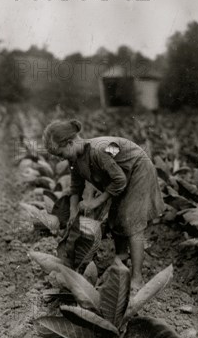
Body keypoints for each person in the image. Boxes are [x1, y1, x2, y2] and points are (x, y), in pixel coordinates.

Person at [43, 119, 164, 290]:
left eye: (61, 154)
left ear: (70, 143)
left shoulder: (99, 150)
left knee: (132, 222)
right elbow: (75, 188)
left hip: (138, 171)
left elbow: (120, 180)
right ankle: (120, 268)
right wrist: (72, 213)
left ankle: (137, 279)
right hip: (120, 177)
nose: (61, 159)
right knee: (116, 220)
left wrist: (96, 202)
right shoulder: (75, 158)